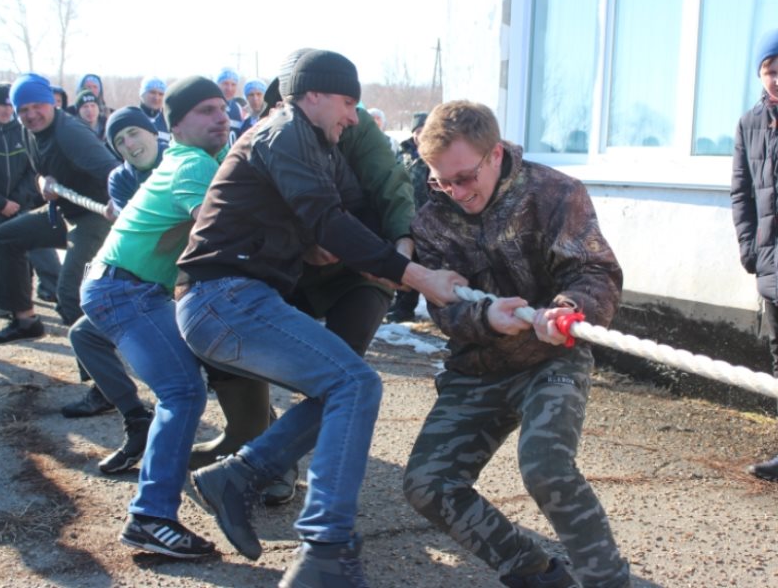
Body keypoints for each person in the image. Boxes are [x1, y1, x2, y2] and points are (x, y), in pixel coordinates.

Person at [175, 49, 466, 587]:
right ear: (311, 94)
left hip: (241, 299)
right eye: (348, 102)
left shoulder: (321, 149)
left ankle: (241, 480)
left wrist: (390, 249)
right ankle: (323, 550)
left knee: (347, 387)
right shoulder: (281, 132)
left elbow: (351, 213)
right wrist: (417, 278)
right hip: (222, 298)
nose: (354, 116)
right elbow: (329, 219)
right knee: (356, 383)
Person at [402, 100, 631, 588]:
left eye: (463, 177)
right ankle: (533, 572)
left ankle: (608, 581)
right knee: (427, 484)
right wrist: (484, 317)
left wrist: (569, 309)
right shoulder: (431, 217)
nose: (455, 192)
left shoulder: (553, 193)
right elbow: (444, 307)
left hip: (549, 358)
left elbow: (595, 271)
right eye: (441, 180)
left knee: (546, 466)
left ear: (495, 154)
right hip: (478, 366)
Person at [79, 76, 230, 558]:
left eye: (222, 108)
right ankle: (152, 516)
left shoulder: (191, 161)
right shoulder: (191, 163)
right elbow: (218, 226)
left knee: (191, 379)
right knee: (183, 390)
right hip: (126, 290)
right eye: (206, 110)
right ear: (178, 124)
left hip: (127, 287)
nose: (221, 117)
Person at [0, 73, 117, 346]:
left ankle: (103, 380)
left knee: (70, 295)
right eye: (23, 109)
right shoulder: (28, 131)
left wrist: (122, 204)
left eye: (37, 106)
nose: (31, 114)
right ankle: (25, 321)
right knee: (6, 236)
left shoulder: (70, 132)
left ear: (51, 104)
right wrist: (43, 182)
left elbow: (115, 173)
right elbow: (39, 174)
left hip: (95, 217)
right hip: (62, 212)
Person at [62, 106, 168, 424]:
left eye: (134, 133)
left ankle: (257, 423)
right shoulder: (120, 178)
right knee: (83, 334)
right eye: (120, 141)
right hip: (139, 282)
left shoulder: (181, 163)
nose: (130, 144)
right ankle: (135, 417)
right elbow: (138, 232)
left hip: (184, 282)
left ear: (152, 131)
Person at [731, 29, 778, 482]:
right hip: (771, 262)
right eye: (769, 69)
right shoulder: (749, 123)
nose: (776, 76)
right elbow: (740, 191)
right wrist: (750, 249)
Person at [0, 82, 60, 318]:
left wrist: (15, 201)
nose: (6, 111)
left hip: (18, 206)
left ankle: (58, 295)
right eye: (0, 105)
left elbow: (32, 169)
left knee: (37, 249)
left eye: (9, 106)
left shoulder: (22, 131)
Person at [385, 111, 430, 322]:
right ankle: (402, 306)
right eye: (417, 131)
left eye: (424, 131)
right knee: (407, 260)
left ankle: (433, 307)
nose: (420, 135)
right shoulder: (403, 153)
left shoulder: (434, 154)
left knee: (427, 262)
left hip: (428, 218)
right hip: (406, 215)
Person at [216, 67, 243, 144]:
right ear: (217, 84)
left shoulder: (239, 108)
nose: (229, 88)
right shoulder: (208, 107)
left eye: (233, 84)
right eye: (225, 84)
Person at [138, 76, 170, 142]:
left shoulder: (168, 120)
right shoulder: (131, 117)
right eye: (152, 92)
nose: (156, 98)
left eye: (161, 94)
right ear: (142, 94)